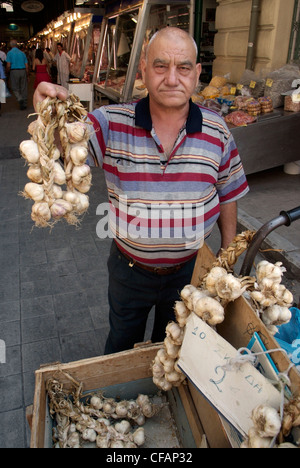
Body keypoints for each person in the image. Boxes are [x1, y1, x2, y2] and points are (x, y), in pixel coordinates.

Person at [33, 27, 249, 355]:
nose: (172, 78)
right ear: (143, 70)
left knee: (174, 347)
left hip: (190, 272)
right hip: (129, 271)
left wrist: (226, 258)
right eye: (161, 66)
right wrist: (48, 116)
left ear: (197, 74)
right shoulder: (109, 122)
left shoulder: (217, 129)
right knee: (121, 344)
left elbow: (229, 192)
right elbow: (66, 151)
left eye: (184, 67)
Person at [6, 39, 29, 110]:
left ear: (11, 45)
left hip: (14, 71)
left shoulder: (9, 53)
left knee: (15, 87)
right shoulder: (22, 53)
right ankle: (24, 102)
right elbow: (26, 65)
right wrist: (27, 74)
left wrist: (7, 72)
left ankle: (19, 98)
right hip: (23, 71)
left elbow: (8, 65)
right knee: (23, 87)